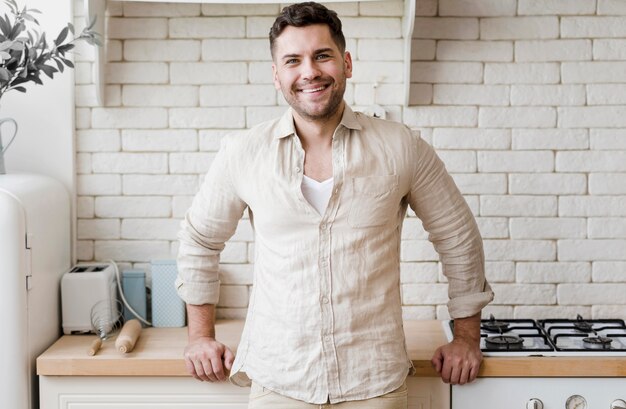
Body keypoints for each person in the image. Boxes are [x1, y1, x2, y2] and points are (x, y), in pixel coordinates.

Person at [175, 2, 494, 408]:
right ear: (277, 75)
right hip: (278, 379)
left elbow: (458, 237)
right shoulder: (243, 153)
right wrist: (199, 337)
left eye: (321, 55)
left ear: (345, 63)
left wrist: (466, 337)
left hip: (374, 381)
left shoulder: (401, 147)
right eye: (293, 60)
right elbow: (201, 239)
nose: (309, 71)